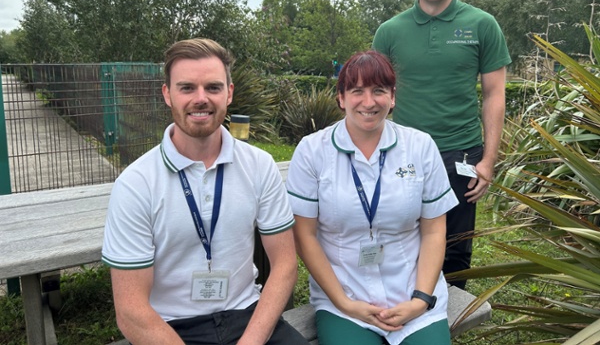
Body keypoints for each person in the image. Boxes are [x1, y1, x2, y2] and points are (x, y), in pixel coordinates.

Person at [101, 38, 308, 345]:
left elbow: (285, 265)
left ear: (229, 93)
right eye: (187, 88)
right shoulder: (136, 183)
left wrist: (250, 342)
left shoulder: (260, 165)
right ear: (167, 95)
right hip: (170, 327)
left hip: (247, 316)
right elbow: (131, 310)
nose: (201, 99)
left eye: (212, 87)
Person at [286, 50, 459, 345]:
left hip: (411, 290)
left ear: (392, 97)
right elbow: (304, 236)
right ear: (341, 98)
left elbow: (433, 230)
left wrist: (420, 299)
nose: (368, 102)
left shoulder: (420, 146)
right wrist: (344, 303)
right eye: (357, 91)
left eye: (378, 90)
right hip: (345, 297)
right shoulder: (312, 151)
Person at [372, 0, 512, 289]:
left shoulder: (482, 25)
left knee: (455, 246)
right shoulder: (389, 32)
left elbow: (494, 95)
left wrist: (489, 161)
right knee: (400, 237)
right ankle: (402, 308)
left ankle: (447, 317)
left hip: (460, 154)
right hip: (403, 153)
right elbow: (375, 97)